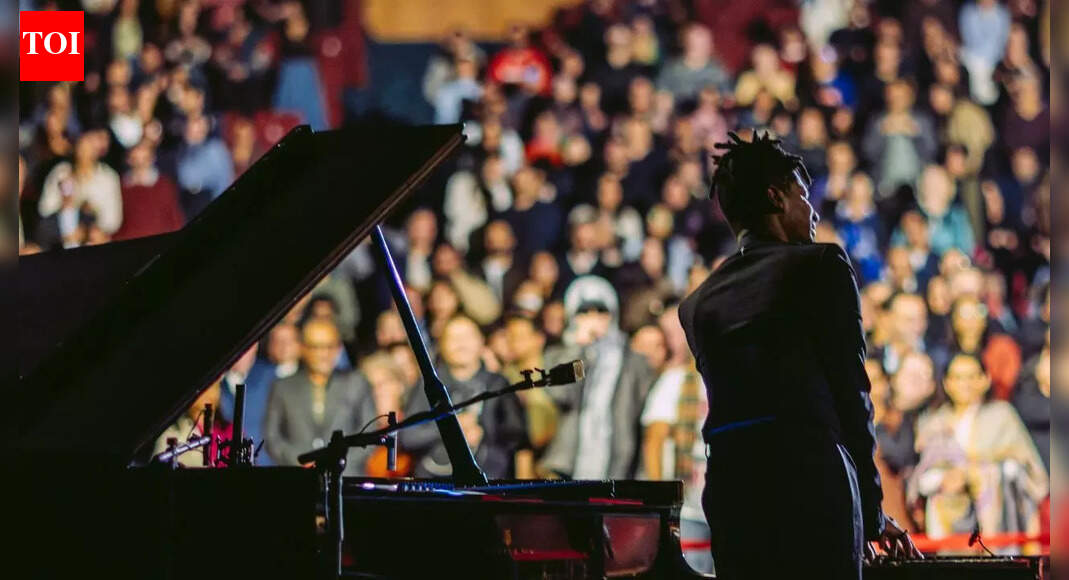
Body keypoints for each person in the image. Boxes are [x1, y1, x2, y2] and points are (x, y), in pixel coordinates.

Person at [678, 133, 918, 579]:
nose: (813, 211)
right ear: (776, 197)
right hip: (811, 482)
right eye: (803, 196)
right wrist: (870, 508)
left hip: (732, 489)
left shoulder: (696, 305)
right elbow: (852, 392)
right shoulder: (820, 266)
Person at [909, 354, 1048, 544]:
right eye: (958, 378)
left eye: (972, 377)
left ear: (985, 380)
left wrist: (977, 474)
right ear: (947, 383)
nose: (965, 384)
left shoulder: (1002, 415)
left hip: (998, 520)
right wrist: (943, 479)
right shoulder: (935, 422)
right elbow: (922, 476)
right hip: (947, 520)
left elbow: (1027, 469)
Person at [540, 275, 654, 479]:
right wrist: (578, 347)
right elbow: (560, 394)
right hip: (570, 465)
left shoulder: (634, 361)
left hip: (620, 464)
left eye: (601, 311)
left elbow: (643, 417)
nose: (593, 319)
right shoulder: (558, 354)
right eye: (584, 312)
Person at [401, 315, 529, 479]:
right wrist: (452, 427)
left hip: (488, 482)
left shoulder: (498, 384)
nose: (461, 344)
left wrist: (483, 434)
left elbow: (518, 441)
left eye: (467, 336)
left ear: (481, 342)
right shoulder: (427, 385)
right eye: (453, 338)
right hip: (433, 481)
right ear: (442, 345)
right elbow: (407, 437)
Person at [263, 318, 376, 474]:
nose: (324, 354)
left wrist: (337, 461)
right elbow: (272, 438)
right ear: (303, 348)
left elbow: (370, 433)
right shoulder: (282, 387)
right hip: (298, 477)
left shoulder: (356, 383)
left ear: (338, 348)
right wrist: (299, 460)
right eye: (316, 347)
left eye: (329, 347)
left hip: (346, 476)